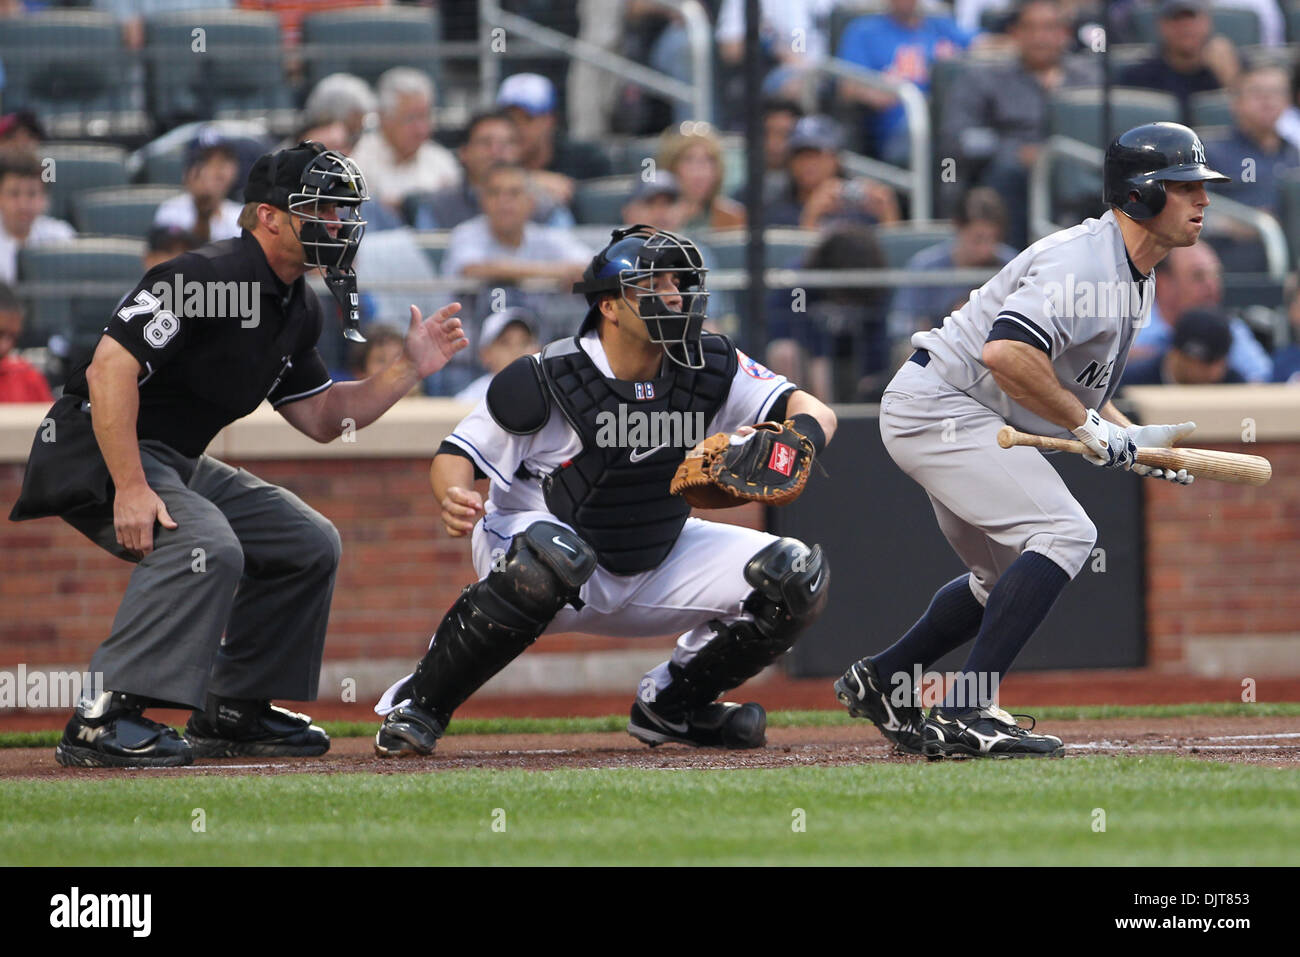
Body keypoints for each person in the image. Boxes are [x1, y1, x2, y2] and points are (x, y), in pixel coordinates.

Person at [8, 141, 469, 769]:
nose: (339, 224)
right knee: (210, 545)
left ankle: (233, 708)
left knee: (306, 541)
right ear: (269, 216)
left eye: (343, 211)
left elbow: (324, 419)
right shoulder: (206, 276)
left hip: (172, 456)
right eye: (324, 209)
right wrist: (133, 486)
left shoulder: (296, 304)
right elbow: (109, 369)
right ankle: (102, 716)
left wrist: (410, 366)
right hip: (96, 446)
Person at [372, 225, 837, 756]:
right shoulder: (549, 374)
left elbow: (814, 411)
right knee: (548, 558)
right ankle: (422, 704)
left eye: (680, 284)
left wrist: (798, 442)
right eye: (655, 285)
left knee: (795, 577)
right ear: (611, 307)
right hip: (541, 548)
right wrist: (453, 495)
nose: (674, 296)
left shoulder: (710, 363)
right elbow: (456, 455)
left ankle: (674, 707)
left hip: (655, 547)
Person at [835, 122, 1219, 758]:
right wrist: (1088, 427)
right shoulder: (1084, 264)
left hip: (956, 408)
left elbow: (1075, 385)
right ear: (1142, 196)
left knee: (1004, 577)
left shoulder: (1135, 271)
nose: (1203, 200)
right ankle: (965, 710)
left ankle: (884, 678)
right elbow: (1009, 352)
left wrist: (1133, 439)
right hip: (946, 407)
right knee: (1066, 535)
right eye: (1185, 187)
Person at [938, 0, 1097, 244]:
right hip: (1009, 177)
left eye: (1048, 28)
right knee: (1006, 176)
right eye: (1030, 28)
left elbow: (1103, 133)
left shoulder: (1089, 79)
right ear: (1015, 33)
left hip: (1076, 171)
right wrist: (1012, 152)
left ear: (1064, 33)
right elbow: (957, 136)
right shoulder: (985, 78)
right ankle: (1014, 265)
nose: (1039, 37)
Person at [836, 0, 972, 163]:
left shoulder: (940, 26)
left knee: (972, 137)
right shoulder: (864, 30)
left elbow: (989, 44)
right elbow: (847, 88)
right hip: (901, 125)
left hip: (949, 118)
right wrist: (880, 93)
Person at [1128, 242, 1272, 381]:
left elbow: (1263, 380)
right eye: (1198, 277)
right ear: (1164, 284)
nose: (1212, 286)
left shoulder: (1230, 330)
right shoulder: (1130, 328)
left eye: (1216, 276)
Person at [889, 187, 1019, 337]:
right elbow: (899, 324)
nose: (986, 249)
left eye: (994, 239)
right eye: (978, 239)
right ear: (958, 227)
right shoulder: (924, 267)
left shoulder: (1012, 266)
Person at [409, 109, 566, 230]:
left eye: (506, 143)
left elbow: (571, 260)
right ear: (464, 152)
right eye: (485, 143)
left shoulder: (545, 206)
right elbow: (427, 263)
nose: (496, 152)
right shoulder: (438, 206)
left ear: (518, 152)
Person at [441, 164, 591, 288]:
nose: (504, 202)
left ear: (531, 202)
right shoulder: (466, 233)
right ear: (482, 202)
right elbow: (474, 269)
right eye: (494, 193)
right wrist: (558, 273)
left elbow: (593, 267)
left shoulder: (547, 236)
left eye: (514, 193)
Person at [349, 68, 461, 213]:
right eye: (411, 118)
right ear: (384, 118)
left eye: (425, 117)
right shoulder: (358, 160)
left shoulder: (442, 162)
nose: (421, 129)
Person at [765, 115, 901, 229]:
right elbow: (786, 259)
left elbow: (889, 257)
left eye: (817, 154)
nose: (809, 163)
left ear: (836, 159)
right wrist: (811, 216)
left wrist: (888, 216)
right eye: (801, 155)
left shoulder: (860, 210)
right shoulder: (778, 212)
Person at [1118, 0, 1239, 125]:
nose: (1185, 27)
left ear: (1207, 23)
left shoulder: (1235, 66)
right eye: (1176, 20)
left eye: (1191, 18)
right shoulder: (1138, 77)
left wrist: (1229, 78)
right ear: (1161, 26)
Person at [152, 127, 243, 244]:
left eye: (224, 160)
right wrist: (202, 215)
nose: (217, 169)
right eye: (207, 160)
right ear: (188, 172)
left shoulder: (240, 215)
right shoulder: (171, 211)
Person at [0, 150, 76, 285]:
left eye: (32, 194)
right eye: (14, 193)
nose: (23, 204)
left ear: (44, 198)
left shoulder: (62, 237)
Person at [656, 123, 745, 231]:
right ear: (671, 166)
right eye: (689, 160)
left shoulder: (733, 219)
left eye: (709, 160)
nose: (700, 172)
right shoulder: (654, 216)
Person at [1121, 308, 1245, 385]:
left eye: (1220, 362)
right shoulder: (1133, 381)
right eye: (1207, 363)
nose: (1215, 373)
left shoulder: (1232, 382)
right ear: (1178, 355)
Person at [454, 306, 541, 403]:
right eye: (505, 343)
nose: (516, 350)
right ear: (486, 354)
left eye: (525, 342)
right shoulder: (469, 400)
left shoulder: (552, 393)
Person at [0, 281, 52, 402]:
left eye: (14, 337)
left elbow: (49, 420)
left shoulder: (28, 378)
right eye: (0, 334)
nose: (5, 346)